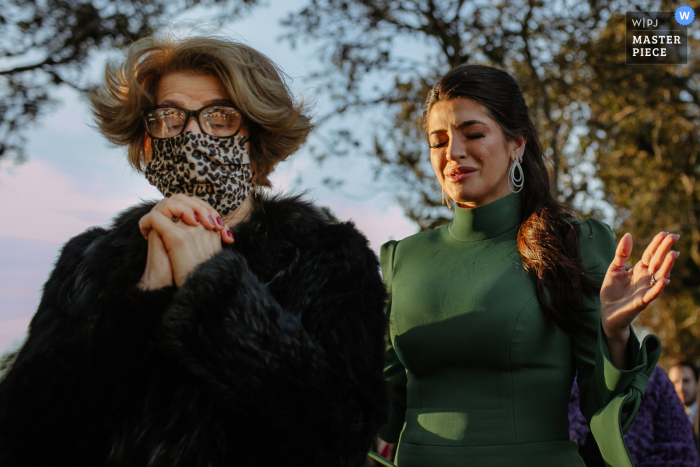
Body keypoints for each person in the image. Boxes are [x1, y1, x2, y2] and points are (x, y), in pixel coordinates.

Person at [0, 33, 389, 467]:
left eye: (220, 117)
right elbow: (23, 436)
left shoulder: (328, 256)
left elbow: (340, 435)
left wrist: (216, 289)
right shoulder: (89, 261)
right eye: (169, 117)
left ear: (257, 140)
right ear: (147, 141)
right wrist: (145, 298)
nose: (193, 135)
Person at [377, 64, 679, 467]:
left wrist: (615, 333)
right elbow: (380, 410)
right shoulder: (402, 259)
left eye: (473, 134)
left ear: (517, 142)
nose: (453, 153)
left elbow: (602, 408)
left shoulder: (573, 243)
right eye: (438, 141)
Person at [569, 367, 700, 467]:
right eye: (676, 381)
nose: (681, 387)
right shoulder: (563, 376)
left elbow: (683, 456)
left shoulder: (655, 380)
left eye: (686, 381)